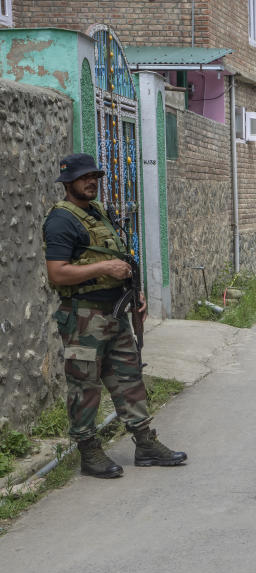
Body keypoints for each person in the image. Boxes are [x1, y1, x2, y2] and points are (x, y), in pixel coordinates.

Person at [43, 153, 187, 479]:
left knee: (129, 379)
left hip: (115, 312)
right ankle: (89, 452)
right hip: (83, 318)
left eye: (94, 176)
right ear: (68, 183)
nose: (91, 181)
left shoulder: (97, 214)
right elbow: (57, 273)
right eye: (84, 177)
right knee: (85, 387)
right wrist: (105, 267)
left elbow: (118, 259)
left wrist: (134, 294)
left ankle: (146, 443)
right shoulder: (62, 221)